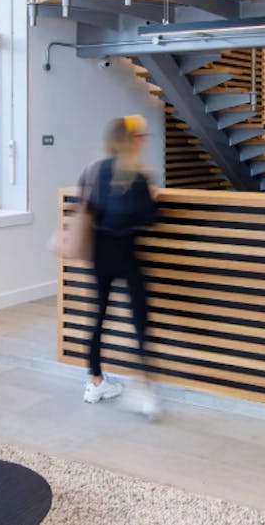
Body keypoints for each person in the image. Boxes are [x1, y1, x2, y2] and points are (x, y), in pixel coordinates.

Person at [77, 114, 162, 419]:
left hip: (99, 252)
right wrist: (153, 197)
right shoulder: (136, 176)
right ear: (131, 141)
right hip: (125, 251)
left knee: (98, 316)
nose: (144, 141)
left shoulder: (93, 170)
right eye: (140, 136)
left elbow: (86, 204)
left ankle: (94, 382)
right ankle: (145, 390)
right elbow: (149, 218)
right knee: (140, 317)